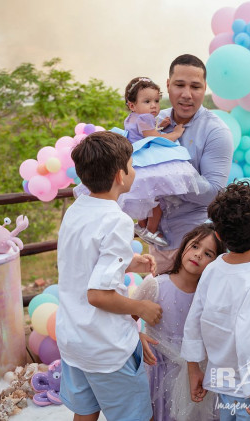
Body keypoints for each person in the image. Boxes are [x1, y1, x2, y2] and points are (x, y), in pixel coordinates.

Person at [56, 131, 163, 421]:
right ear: (119, 175)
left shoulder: (76, 209)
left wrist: (131, 262)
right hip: (106, 347)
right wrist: (141, 307)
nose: (133, 170)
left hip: (73, 340)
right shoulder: (117, 220)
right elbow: (98, 295)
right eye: (131, 165)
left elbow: (82, 263)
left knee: (85, 412)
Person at [181, 181, 250, 421]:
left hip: (222, 385)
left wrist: (194, 367)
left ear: (218, 235)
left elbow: (194, 320)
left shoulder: (213, 268)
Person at [134, 223, 225, 421]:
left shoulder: (210, 296)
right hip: (157, 370)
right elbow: (125, 320)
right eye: (195, 246)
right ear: (184, 246)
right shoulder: (155, 285)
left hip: (196, 372)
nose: (198, 254)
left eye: (208, 254)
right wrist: (138, 335)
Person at [151, 54, 234, 272]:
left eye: (195, 87)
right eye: (179, 85)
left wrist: (169, 175)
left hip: (195, 246)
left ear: (205, 88)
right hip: (157, 241)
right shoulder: (154, 122)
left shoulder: (216, 132)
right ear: (168, 85)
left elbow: (214, 193)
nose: (187, 94)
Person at [119, 76, 203, 247]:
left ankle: (142, 225)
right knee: (156, 200)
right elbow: (154, 137)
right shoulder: (144, 118)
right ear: (132, 105)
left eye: (156, 101)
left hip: (135, 160)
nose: (154, 105)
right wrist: (176, 133)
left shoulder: (132, 117)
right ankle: (151, 229)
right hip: (147, 159)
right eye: (147, 101)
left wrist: (160, 126)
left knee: (145, 197)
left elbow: (144, 131)